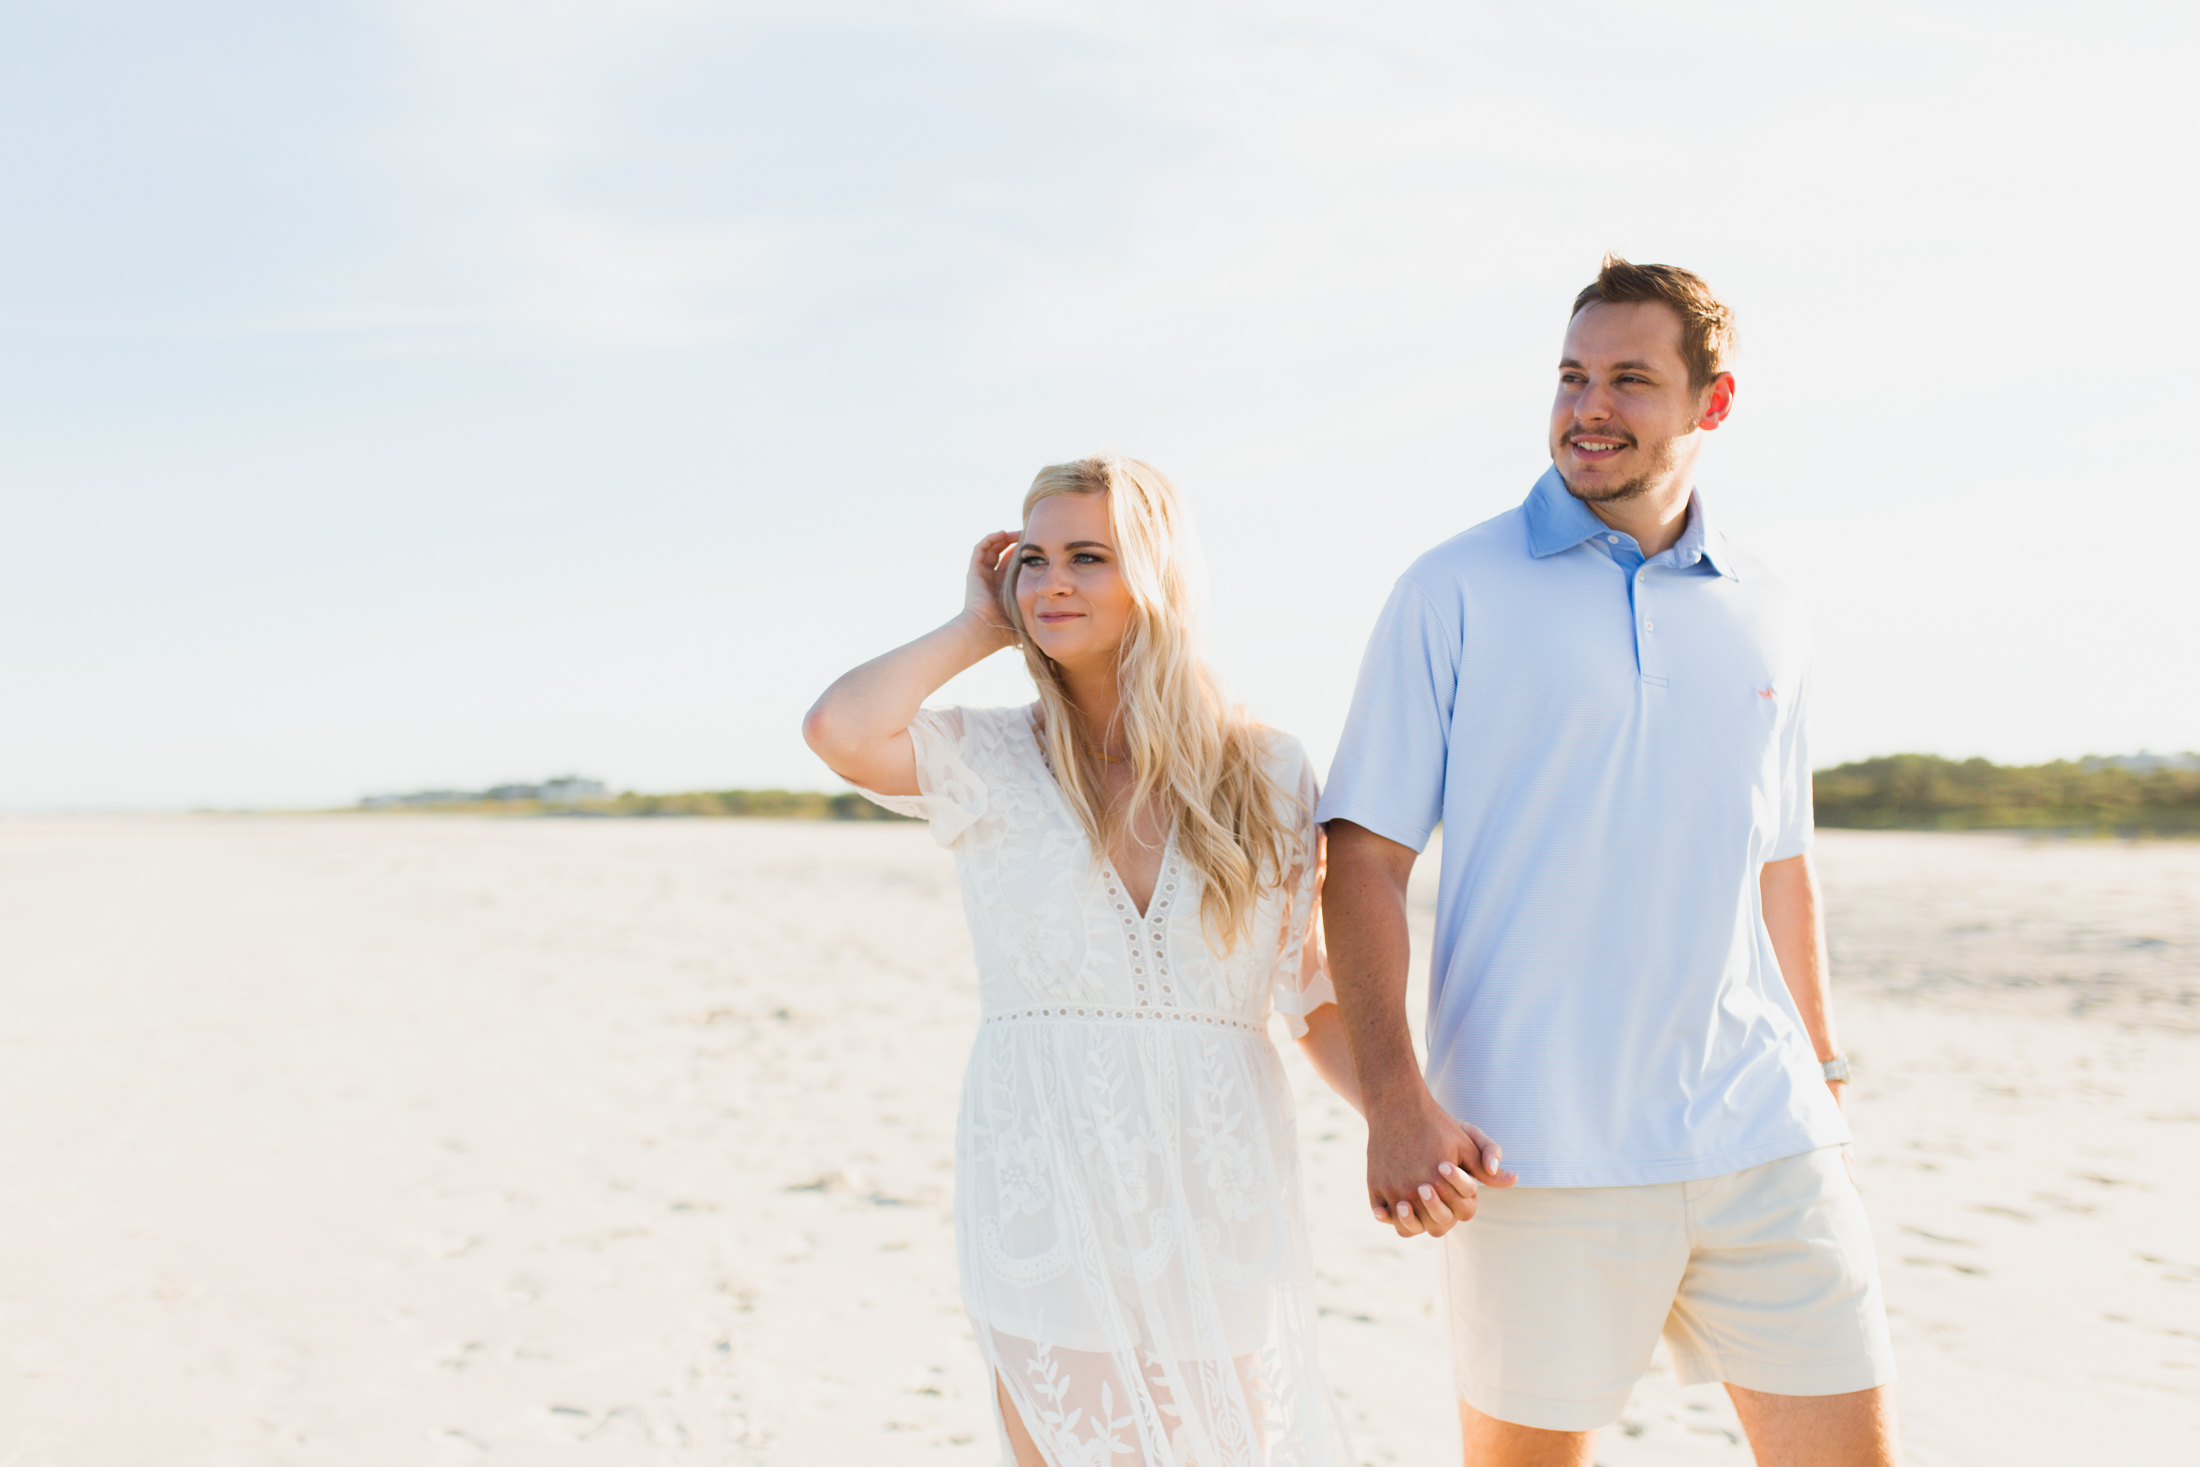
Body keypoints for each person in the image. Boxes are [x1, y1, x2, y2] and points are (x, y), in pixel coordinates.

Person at [1318, 257, 1899, 1466]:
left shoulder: (1768, 609)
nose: (1588, 406)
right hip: (1534, 1150)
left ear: (1712, 404)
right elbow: (1360, 861)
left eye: (1630, 379)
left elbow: (1778, 863)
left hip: (1763, 1136)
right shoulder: (1450, 589)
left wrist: (1825, 1078)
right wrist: (1394, 1103)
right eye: (1573, 376)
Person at [803, 455, 1362, 1466]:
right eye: (1035, 560)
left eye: (1089, 557)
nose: (1052, 582)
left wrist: (1398, 1122)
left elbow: (1307, 989)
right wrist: (978, 625)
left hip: (1217, 1174)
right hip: (1044, 1175)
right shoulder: (985, 755)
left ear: (1158, 574)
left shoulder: (1266, 767)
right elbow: (839, 729)